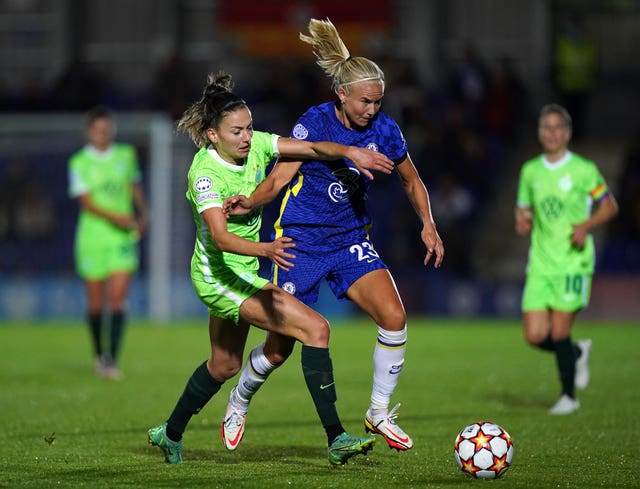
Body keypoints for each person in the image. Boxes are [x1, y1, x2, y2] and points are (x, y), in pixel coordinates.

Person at [147, 71, 396, 465]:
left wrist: (350, 152)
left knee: (225, 364)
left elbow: (312, 148)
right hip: (221, 275)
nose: (247, 137)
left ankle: (169, 433)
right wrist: (266, 248)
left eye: (249, 128)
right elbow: (221, 238)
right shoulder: (205, 175)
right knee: (317, 329)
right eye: (236, 132)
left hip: (243, 269)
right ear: (212, 135)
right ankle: (336, 438)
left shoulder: (259, 144)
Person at [222, 18, 444, 452]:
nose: (373, 110)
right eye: (365, 102)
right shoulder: (316, 122)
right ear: (341, 94)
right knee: (280, 349)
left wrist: (428, 223)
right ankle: (240, 396)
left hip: (348, 240)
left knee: (395, 319)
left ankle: (378, 412)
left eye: (379, 102)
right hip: (300, 242)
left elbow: (411, 180)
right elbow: (282, 176)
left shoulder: (385, 130)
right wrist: (251, 201)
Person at [515, 103, 618, 415]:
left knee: (558, 332)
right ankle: (575, 352)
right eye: (546, 127)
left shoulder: (584, 170)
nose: (552, 133)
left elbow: (609, 206)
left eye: (558, 127)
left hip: (573, 262)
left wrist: (586, 225)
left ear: (568, 133)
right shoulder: (530, 171)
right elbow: (523, 207)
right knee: (534, 336)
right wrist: (522, 219)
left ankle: (568, 396)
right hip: (541, 264)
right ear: (540, 133)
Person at [68, 105, 150, 380]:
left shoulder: (125, 156)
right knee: (95, 306)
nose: (103, 134)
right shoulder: (79, 162)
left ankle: (111, 359)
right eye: (98, 130)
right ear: (89, 132)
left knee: (117, 300)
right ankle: (98, 353)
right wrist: (116, 216)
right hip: (92, 238)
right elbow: (86, 201)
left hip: (122, 238)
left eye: (107, 129)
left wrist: (143, 212)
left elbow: (133, 187)